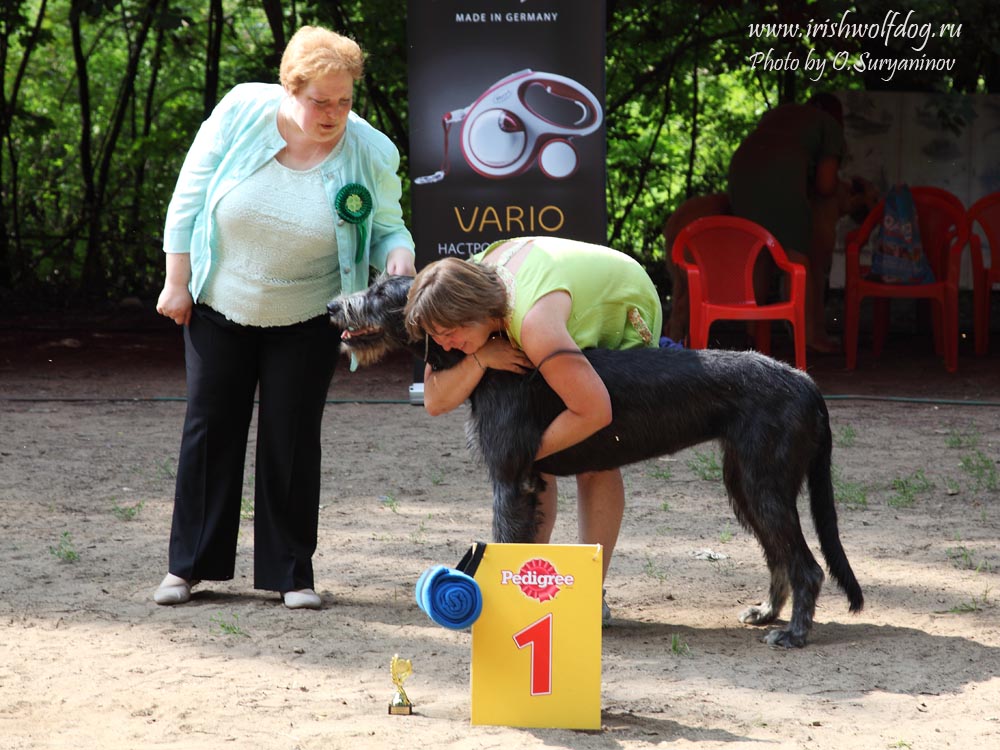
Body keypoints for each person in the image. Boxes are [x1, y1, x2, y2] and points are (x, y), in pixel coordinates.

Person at [153, 26, 416, 609]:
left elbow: (389, 226)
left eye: (344, 100)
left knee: (292, 439)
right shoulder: (240, 112)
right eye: (320, 100)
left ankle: (291, 574)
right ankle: (188, 567)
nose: (333, 113)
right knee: (209, 429)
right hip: (221, 301)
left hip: (309, 312)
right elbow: (187, 199)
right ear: (288, 88)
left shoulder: (369, 149)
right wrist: (177, 283)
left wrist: (398, 259)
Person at [402, 237, 663, 623]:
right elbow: (436, 400)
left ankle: (592, 592)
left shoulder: (534, 324)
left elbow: (595, 411)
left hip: (621, 302)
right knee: (534, 453)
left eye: (447, 335)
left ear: (471, 312)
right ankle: (525, 582)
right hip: (544, 299)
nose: (443, 346)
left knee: (594, 458)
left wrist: (516, 452)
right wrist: (477, 358)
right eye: (434, 337)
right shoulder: (447, 299)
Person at [727, 92, 847, 353]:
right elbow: (826, 185)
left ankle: (753, 337)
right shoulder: (829, 125)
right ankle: (809, 337)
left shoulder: (782, 115)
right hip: (782, 181)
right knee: (797, 261)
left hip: (741, 171)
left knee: (756, 256)